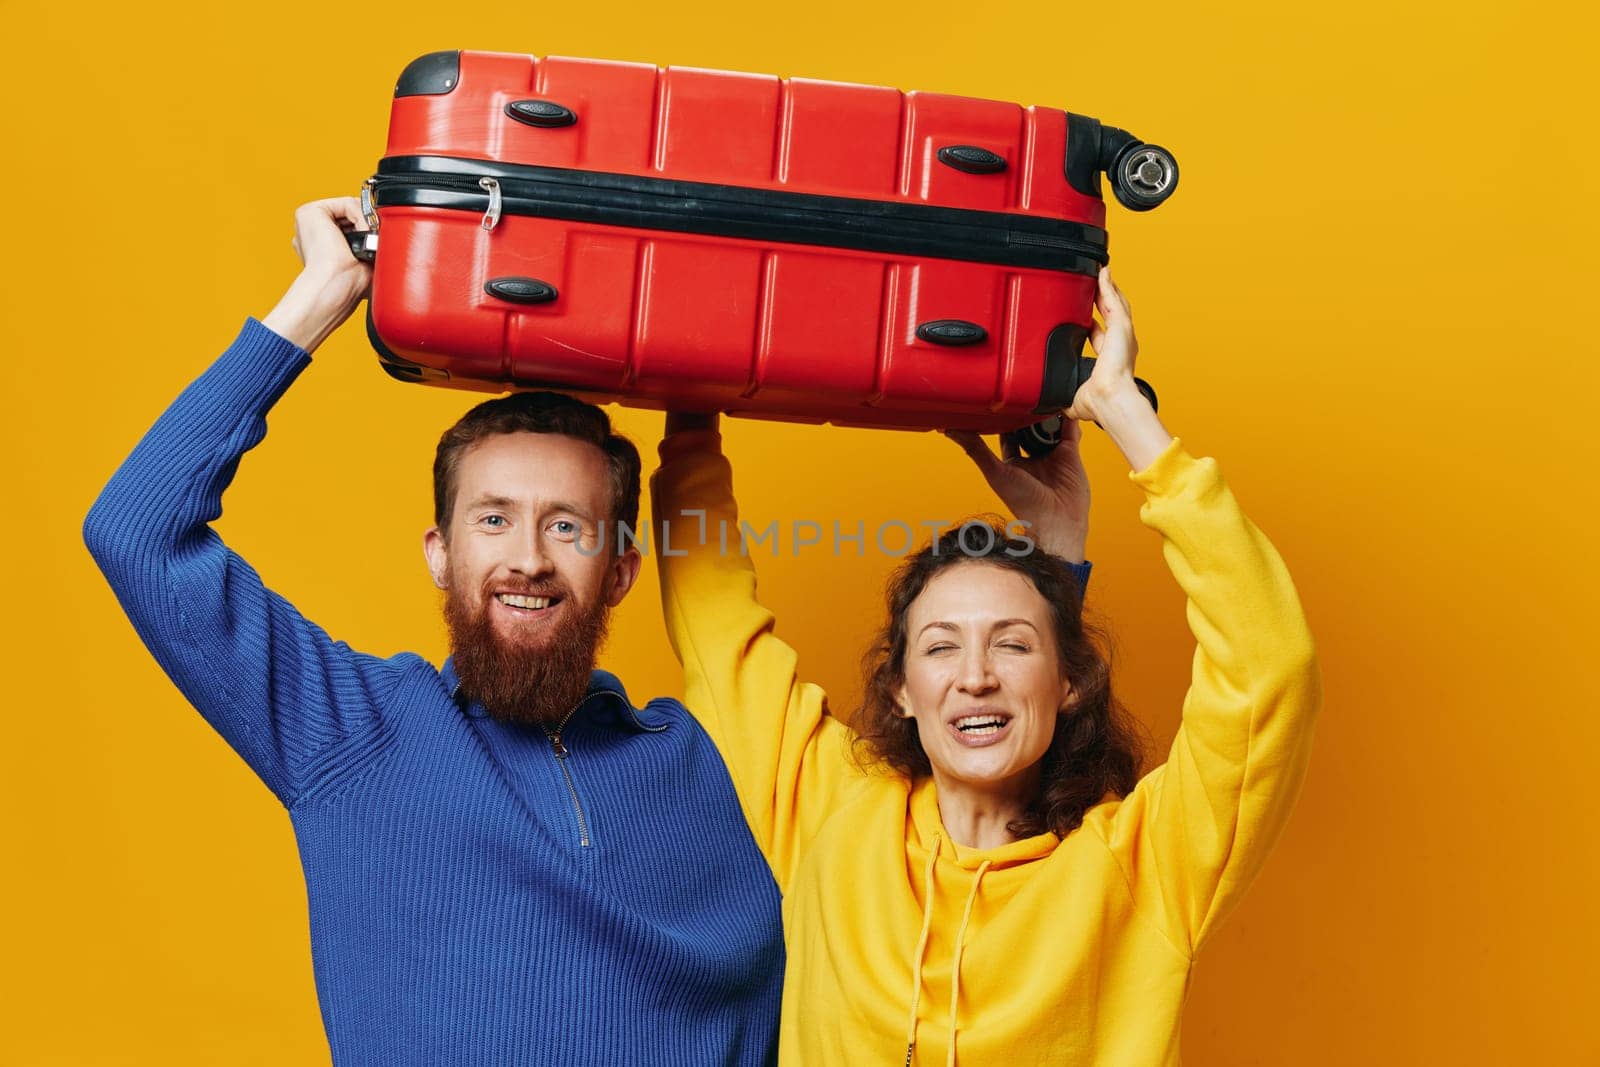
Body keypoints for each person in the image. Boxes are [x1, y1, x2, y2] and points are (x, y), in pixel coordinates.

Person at [83, 198, 784, 1066]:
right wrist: (322, 294)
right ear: (440, 555)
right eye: (493, 521)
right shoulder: (350, 730)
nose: (527, 558)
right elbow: (136, 530)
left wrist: (695, 408)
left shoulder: (707, 759)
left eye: (567, 526)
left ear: (623, 569)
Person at [651, 269, 1321, 1065]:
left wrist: (1130, 422)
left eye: (1012, 643)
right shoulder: (832, 812)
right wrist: (688, 401)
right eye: (940, 646)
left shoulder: (1142, 862)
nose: (976, 675)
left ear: (1069, 682)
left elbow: (1268, 663)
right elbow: (715, 622)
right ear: (901, 689)